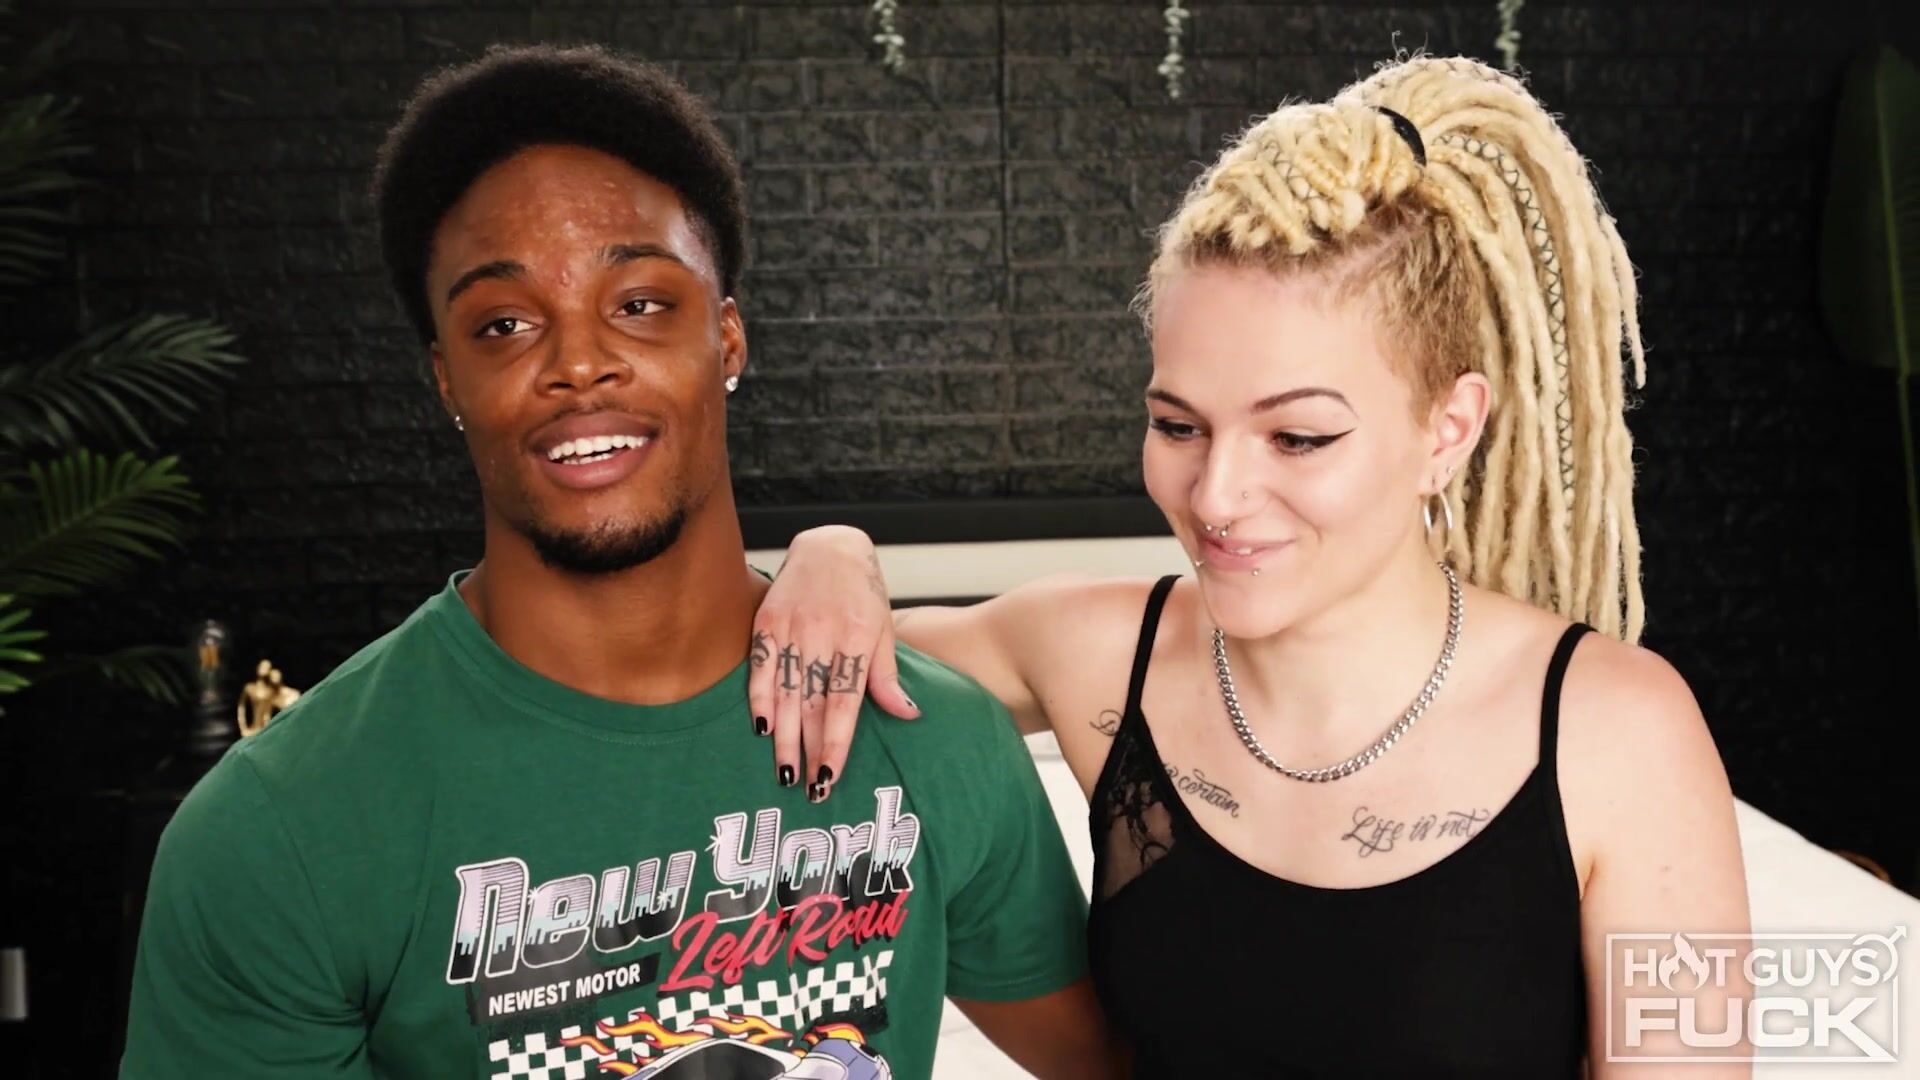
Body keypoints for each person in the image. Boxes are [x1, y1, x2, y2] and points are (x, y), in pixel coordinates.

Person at [121, 45, 1117, 1080]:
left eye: (639, 303)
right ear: (446, 379)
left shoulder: (934, 743)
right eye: (505, 324)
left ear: (727, 338)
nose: (579, 363)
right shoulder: (280, 830)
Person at [751, 57, 1751, 1077]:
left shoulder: (1619, 732)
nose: (1216, 497)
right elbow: (829, 662)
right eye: (1178, 425)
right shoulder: (1097, 655)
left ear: (1448, 429)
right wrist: (833, 554)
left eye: (1299, 437)